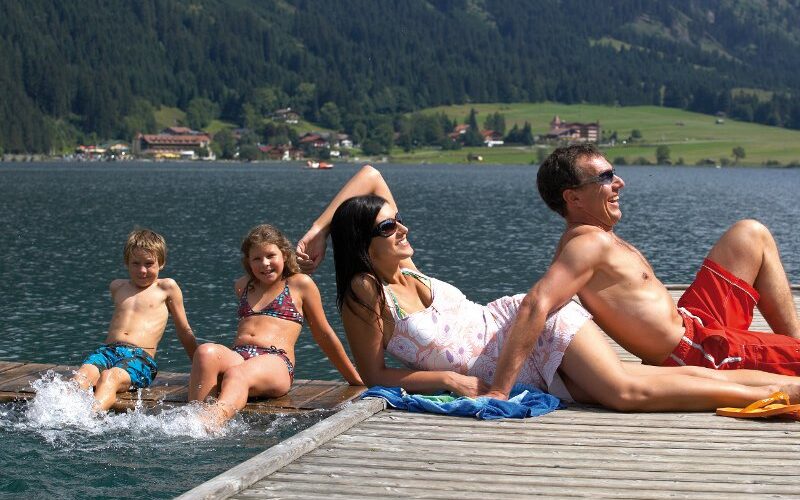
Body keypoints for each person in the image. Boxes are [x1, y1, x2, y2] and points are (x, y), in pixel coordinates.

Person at [296, 165, 800, 411]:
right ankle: (779, 388)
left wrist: (316, 233)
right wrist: (445, 381)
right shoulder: (367, 292)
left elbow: (371, 174)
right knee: (625, 393)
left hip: (522, 328)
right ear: (363, 243)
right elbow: (375, 373)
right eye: (388, 228)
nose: (402, 229)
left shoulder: (410, 272)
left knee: (629, 391)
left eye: (398, 221)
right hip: (520, 363)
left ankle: (785, 389)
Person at [485, 144, 800, 400]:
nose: (619, 182)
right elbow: (535, 304)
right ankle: (791, 356)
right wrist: (499, 390)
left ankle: (790, 347)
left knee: (750, 235)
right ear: (574, 197)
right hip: (697, 354)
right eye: (605, 177)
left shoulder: (596, 236)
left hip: (695, 320)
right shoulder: (586, 246)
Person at [189, 224, 362, 426]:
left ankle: (211, 421)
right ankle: (192, 418)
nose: (265, 264)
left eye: (271, 256)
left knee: (237, 373)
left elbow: (323, 333)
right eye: (257, 258)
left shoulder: (299, 284)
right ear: (248, 262)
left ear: (285, 255)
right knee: (205, 352)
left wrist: (355, 379)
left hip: (275, 361)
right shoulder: (243, 286)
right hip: (239, 356)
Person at [72, 229, 197, 411]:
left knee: (110, 377)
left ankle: (88, 419)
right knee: (81, 377)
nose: (142, 270)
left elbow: (184, 330)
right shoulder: (118, 286)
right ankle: (62, 417)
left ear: (161, 263)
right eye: (135, 263)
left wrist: (199, 366)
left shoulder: (166, 288)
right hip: (108, 351)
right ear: (126, 263)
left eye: (149, 263)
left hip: (140, 357)